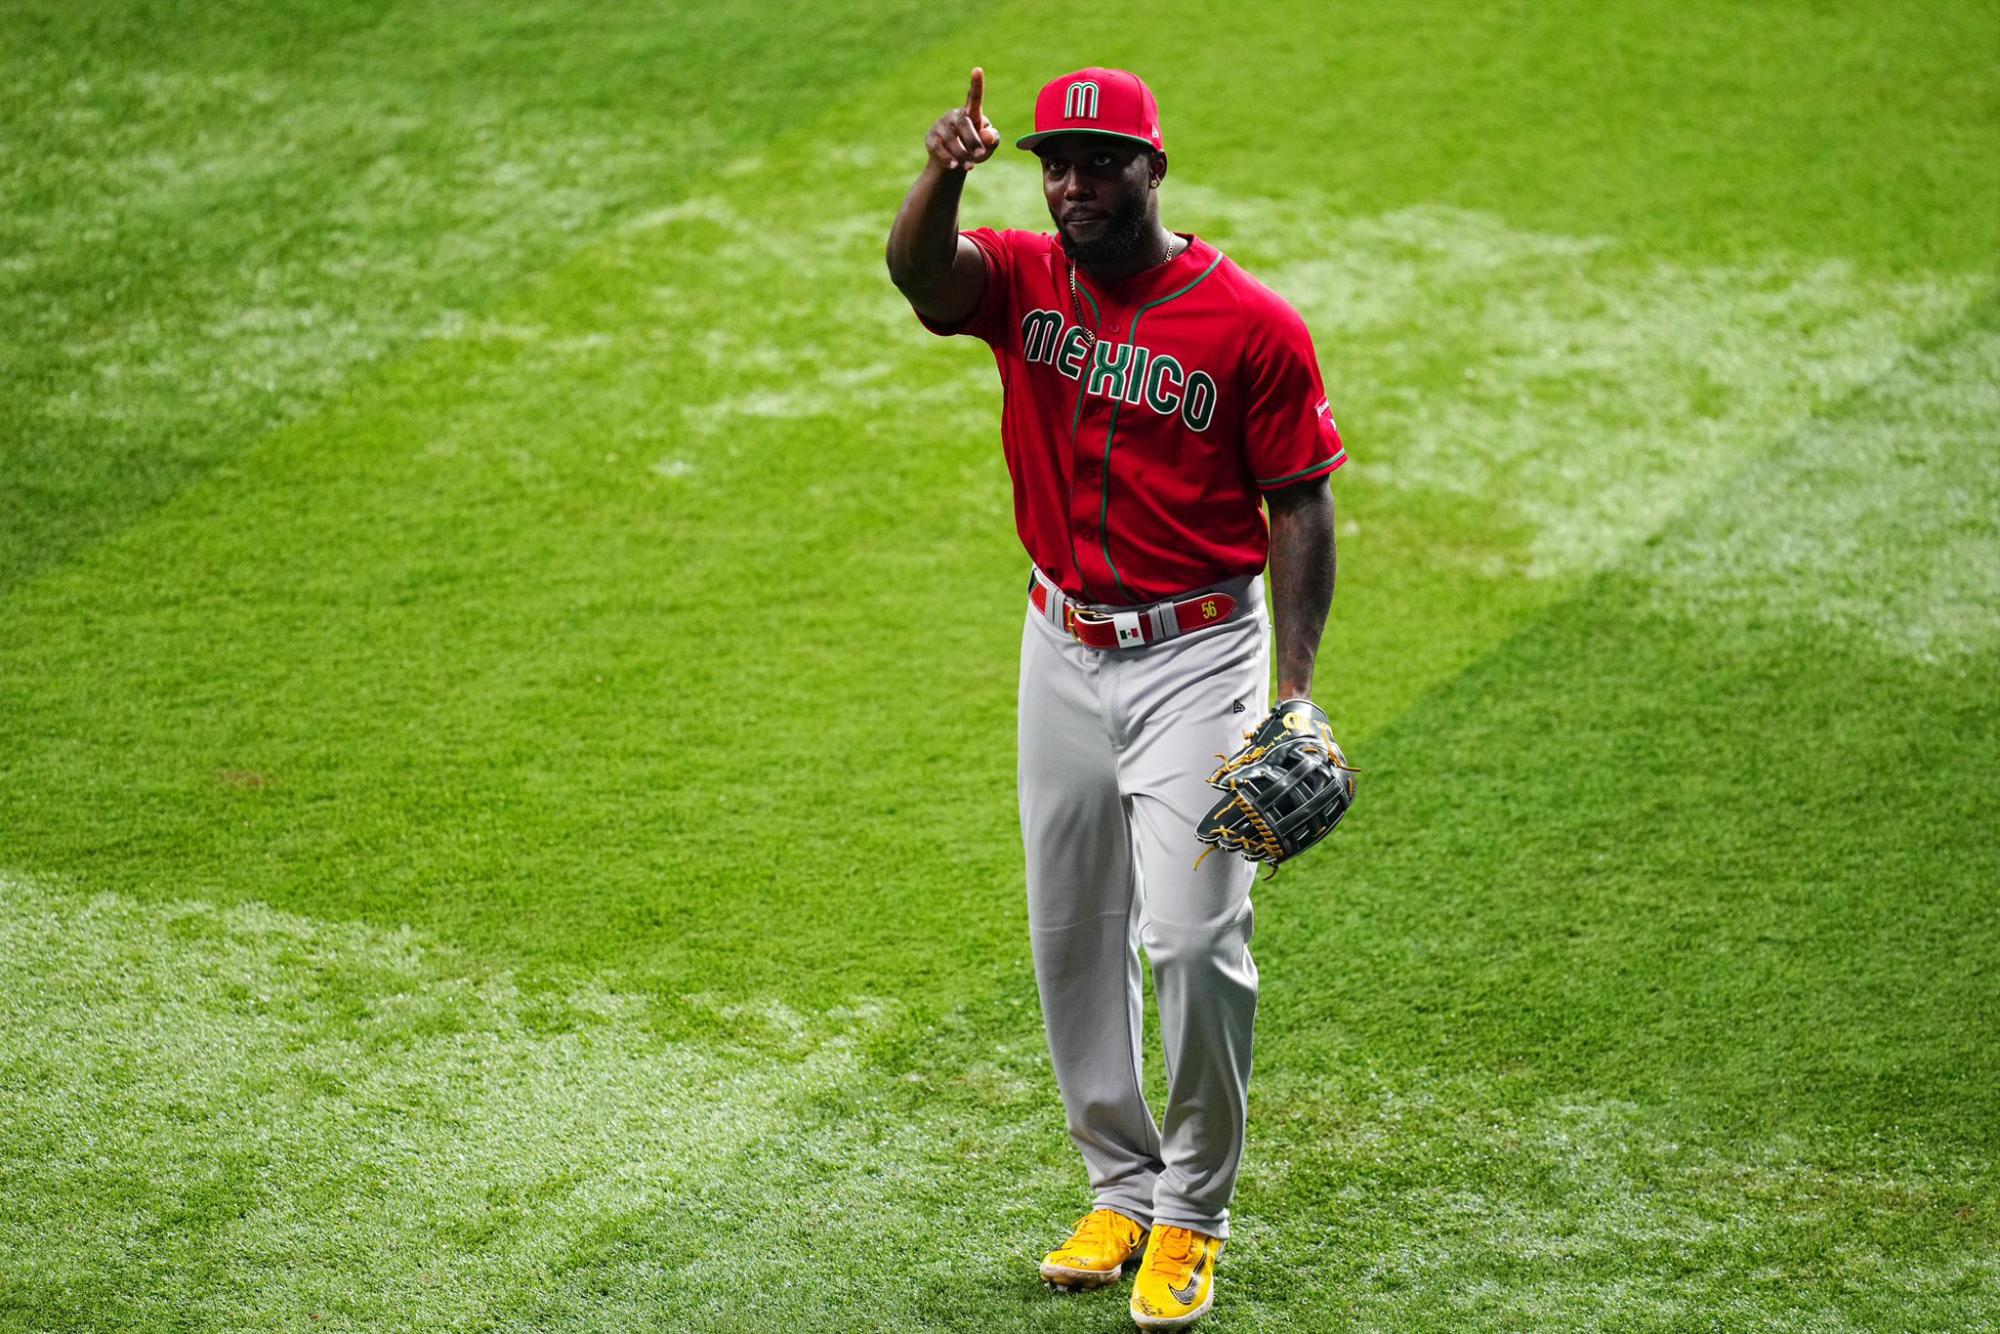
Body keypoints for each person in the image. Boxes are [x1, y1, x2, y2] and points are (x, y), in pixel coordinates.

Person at [885, 65, 1343, 1330]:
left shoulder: (1251, 324)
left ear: (1153, 167)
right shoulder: (1028, 278)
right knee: (1070, 924)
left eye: (1099, 162)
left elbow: (1299, 500)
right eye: (1055, 164)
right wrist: (945, 169)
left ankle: (1192, 1213)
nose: (1073, 184)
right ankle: (1119, 1182)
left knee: (1194, 937)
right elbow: (919, 275)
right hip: (1058, 641)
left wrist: (1289, 697)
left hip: (1200, 656)